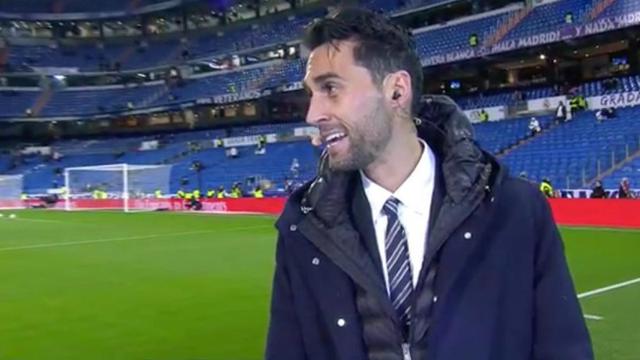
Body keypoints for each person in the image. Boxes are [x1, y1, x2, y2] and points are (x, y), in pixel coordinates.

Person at [266, 8, 592, 360]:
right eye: (311, 93)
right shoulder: (303, 231)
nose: (312, 114)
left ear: (397, 91)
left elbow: (564, 349)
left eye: (330, 88)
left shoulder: (516, 211)